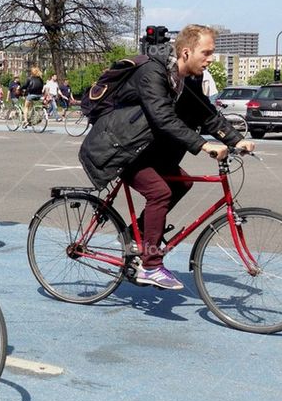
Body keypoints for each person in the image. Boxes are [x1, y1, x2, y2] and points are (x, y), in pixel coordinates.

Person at [79, 25, 255, 290]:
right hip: (119, 148)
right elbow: (162, 117)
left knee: (182, 183)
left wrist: (235, 139)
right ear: (186, 52)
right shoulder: (152, 72)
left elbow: (206, 115)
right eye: (206, 53)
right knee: (159, 192)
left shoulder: (189, 80)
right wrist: (202, 146)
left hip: (142, 148)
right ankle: (150, 266)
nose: (210, 59)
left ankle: (134, 235)